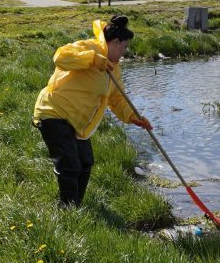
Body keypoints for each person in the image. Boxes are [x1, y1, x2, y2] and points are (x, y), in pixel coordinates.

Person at [33, 15, 152, 207]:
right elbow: (60, 57)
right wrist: (92, 60)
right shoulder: (90, 47)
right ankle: (67, 211)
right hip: (53, 112)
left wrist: (133, 117)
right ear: (115, 42)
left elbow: (117, 98)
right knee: (70, 165)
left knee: (85, 162)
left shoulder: (114, 68)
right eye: (125, 47)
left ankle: (75, 206)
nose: (125, 51)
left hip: (77, 122)